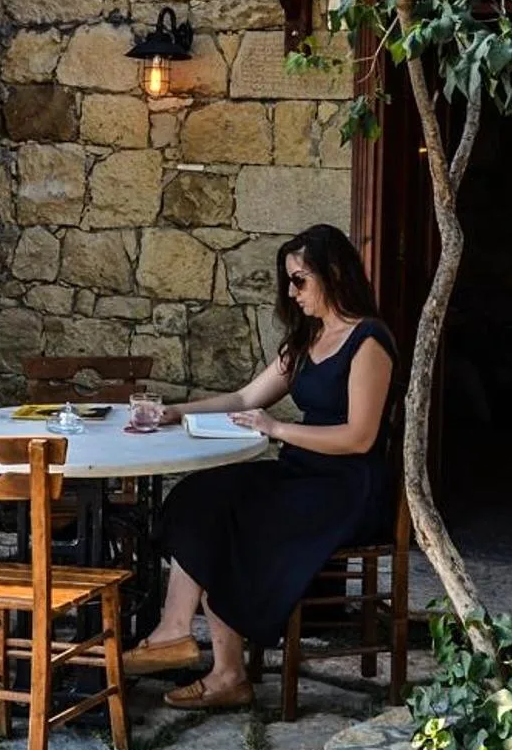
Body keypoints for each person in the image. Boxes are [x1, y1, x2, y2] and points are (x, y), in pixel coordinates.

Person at [120, 223, 397, 709]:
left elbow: (359, 437)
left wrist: (276, 429)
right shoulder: (306, 340)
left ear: (333, 273)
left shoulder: (368, 340)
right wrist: (176, 411)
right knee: (199, 495)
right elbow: (247, 396)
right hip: (300, 474)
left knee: (235, 517)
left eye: (300, 280)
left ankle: (223, 670)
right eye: (288, 281)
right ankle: (179, 632)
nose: (292, 292)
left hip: (346, 487)